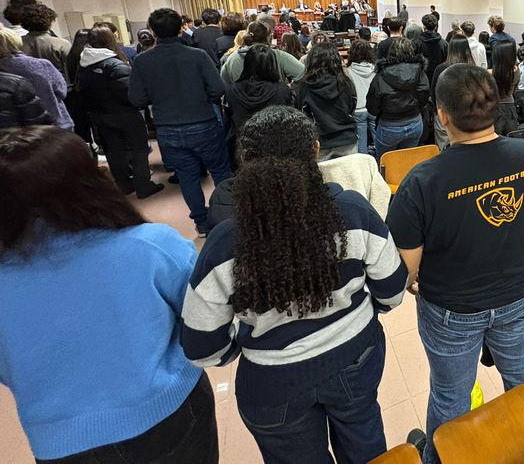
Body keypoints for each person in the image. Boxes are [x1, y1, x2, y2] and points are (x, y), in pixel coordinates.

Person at [181, 107, 407, 464]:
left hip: (272, 383)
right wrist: (361, 309)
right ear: (316, 150)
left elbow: (202, 348)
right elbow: (393, 291)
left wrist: (244, 344)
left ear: (245, 161)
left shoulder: (225, 244)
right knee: (366, 447)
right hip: (355, 358)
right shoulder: (352, 211)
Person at [0, 126, 217, 463]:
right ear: (88, 183)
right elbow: (201, 318)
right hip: (168, 414)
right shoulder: (152, 246)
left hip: (60, 443)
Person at [386, 64, 524, 463]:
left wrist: (417, 278)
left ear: (442, 115)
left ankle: (439, 458)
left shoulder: (422, 180)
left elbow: (407, 268)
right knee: (522, 376)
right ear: (494, 107)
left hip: (452, 310)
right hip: (520, 295)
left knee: (451, 394)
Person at [129, 8, 233, 237]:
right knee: (220, 170)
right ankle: (230, 216)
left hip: (168, 129)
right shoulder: (197, 56)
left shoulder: (142, 61)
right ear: (180, 28)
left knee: (187, 176)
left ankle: (202, 223)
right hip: (203, 121)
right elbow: (218, 88)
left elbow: (136, 99)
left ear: (153, 31)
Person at [78, 27, 164, 198]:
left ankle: (124, 185)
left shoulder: (84, 65)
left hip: (100, 115)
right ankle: (144, 186)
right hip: (125, 114)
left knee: (114, 152)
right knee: (138, 150)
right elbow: (129, 93)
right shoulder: (115, 64)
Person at [224, 43, 293, 160]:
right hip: (277, 147)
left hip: (243, 147)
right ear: (272, 65)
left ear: (247, 64)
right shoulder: (282, 90)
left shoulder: (232, 90)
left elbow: (229, 117)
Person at [366, 37, 430, 160]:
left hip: (389, 125)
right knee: (407, 162)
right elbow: (425, 94)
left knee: (385, 164)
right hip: (415, 122)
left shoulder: (381, 75)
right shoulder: (420, 72)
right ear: (411, 51)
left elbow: (372, 106)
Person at [297, 41, 359, 160]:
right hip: (346, 138)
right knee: (349, 177)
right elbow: (352, 105)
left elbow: (302, 114)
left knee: (323, 177)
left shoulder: (305, 86)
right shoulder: (345, 82)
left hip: (320, 141)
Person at [0, 26, 71, 129]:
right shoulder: (40, 65)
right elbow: (61, 91)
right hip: (53, 123)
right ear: (14, 41)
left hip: (13, 133)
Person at [221, 21, 306, 86]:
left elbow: (224, 80)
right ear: (269, 37)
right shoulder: (279, 56)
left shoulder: (233, 58)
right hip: (274, 104)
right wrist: (290, 87)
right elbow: (303, 73)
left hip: (243, 105)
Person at [19, 3, 72, 82]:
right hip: (59, 86)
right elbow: (71, 70)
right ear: (50, 21)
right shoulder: (61, 44)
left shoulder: (16, 43)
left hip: (29, 88)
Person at [346, 41, 378, 155]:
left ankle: (364, 166)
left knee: (361, 143)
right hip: (374, 108)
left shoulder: (348, 71)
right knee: (378, 140)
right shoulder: (375, 69)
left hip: (358, 109)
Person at [491, 40, 519, 136]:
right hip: (510, 107)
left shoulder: (492, 74)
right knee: (511, 139)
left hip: (495, 109)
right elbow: (515, 89)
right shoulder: (516, 70)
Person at [414, 14, 448, 80]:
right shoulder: (444, 44)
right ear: (435, 27)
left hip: (421, 79)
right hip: (439, 78)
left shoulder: (416, 43)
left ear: (423, 26)